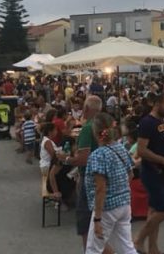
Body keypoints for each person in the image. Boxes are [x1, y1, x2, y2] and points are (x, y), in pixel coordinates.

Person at [84, 113, 136, 254]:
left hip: (107, 208)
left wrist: (97, 219)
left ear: (95, 132)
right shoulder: (120, 148)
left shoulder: (98, 155)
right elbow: (131, 173)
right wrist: (120, 188)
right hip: (124, 203)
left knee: (93, 249)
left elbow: (101, 188)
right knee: (126, 247)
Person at [134, 92, 164, 254]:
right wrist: (163, 160)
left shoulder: (162, 122)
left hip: (162, 171)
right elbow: (141, 150)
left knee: (153, 210)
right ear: (156, 104)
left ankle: (153, 249)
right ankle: (138, 240)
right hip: (152, 171)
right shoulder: (147, 122)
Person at [71, 95, 102, 248]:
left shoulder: (87, 128)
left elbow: (83, 158)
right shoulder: (104, 126)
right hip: (103, 177)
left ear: (86, 109)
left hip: (89, 177)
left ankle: (89, 251)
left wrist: (67, 159)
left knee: (85, 219)